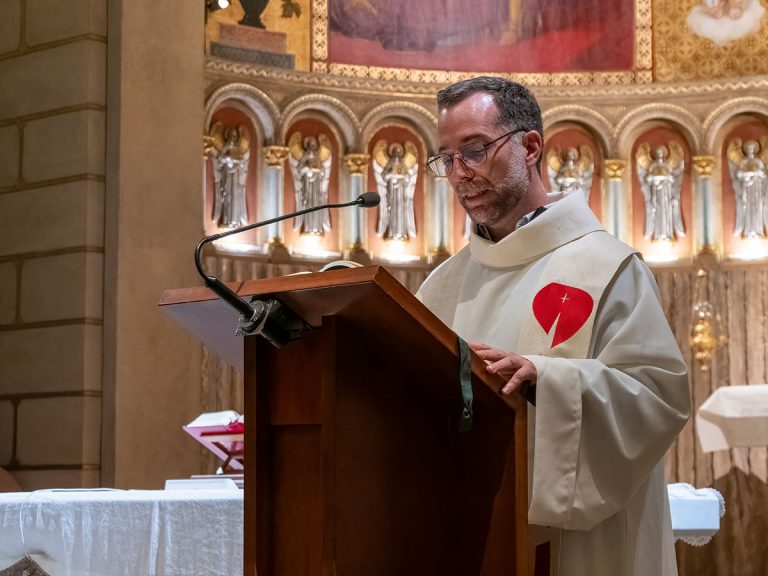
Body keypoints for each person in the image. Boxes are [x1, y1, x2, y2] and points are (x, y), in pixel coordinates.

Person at [417, 76, 690, 576]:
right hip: (470, 532)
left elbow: (657, 396)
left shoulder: (607, 267)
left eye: (474, 151)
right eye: (446, 159)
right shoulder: (442, 285)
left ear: (530, 147)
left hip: (580, 547)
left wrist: (548, 379)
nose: (458, 174)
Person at [635, 142, 686, 242]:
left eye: (661, 154)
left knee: (666, 211)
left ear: (663, 155)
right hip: (656, 193)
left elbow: (672, 178)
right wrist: (655, 180)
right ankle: (658, 234)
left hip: (666, 193)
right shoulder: (653, 166)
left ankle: (667, 233)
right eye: (658, 154)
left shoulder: (667, 166)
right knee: (657, 211)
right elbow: (648, 178)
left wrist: (664, 179)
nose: (659, 155)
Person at [372, 140, 419, 240]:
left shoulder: (403, 165)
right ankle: (392, 232)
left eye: (398, 152)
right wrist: (392, 175)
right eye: (395, 152)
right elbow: (384, 176)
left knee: (401, 210)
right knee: (393, 211)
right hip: (392, 192)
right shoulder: (389, 164)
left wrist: (402, 176)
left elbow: (408, 178)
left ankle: (401, 233)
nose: (397, 155)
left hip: (401, 192)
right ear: (392, 153)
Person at [288, 133, 333, 235]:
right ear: (307, 146)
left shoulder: (317, 158)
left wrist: (316, 170)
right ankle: (308, 227)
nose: (312, 147)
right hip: (307, 185)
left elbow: (323, 171)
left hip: (316, 186)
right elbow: (299, 170)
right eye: (310, 145)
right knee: (308, 203)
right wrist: (307, 168)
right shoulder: (305, 157)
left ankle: (317, 227)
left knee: (317, 204)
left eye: (313, 145)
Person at [727, 137, 768, 239]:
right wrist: (750, 173)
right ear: (746, 151)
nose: (751, 151)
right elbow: (739, 174)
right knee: (747, 207)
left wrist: (754, 173)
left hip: (757, 189)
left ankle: (758, 230)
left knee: (758, 207)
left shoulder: (758, 162)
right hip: (747, 189)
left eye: (752, 149)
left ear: (755, 150)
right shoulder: (744, 162)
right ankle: (749, 230)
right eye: (749, 149)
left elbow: (763, 174)